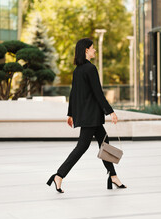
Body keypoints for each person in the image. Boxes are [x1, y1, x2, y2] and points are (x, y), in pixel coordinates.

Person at [47, 38, 126, 193]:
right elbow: (98, 93)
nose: (94, 50)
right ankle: (59, 175)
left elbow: (73, 94)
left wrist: (70, 114)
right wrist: (110, 111)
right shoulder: (90, 69)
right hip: (92, 116)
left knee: (104, 143)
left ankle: (113, 176)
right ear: (86, 51)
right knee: (82, 147)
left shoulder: (78, 70)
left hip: (89, 115)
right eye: (92, 48)